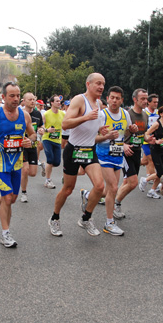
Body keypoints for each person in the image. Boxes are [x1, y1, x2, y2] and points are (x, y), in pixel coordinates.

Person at [48, 73, 107, 237]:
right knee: (67, 189)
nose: (101, 87)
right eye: (98, 83)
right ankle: (55, 218)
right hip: (73, 150)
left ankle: (86, 218)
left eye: (103, 84)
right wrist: (86, 117)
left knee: (100, 186)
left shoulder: (99, 104)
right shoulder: (79, 100)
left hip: (89, 150)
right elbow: (65, 123)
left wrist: (102, 129)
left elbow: (96, 124)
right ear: (88, 84)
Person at [0, 82, 37, 247]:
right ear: (3, 97)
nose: (16, 99)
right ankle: (5, 234)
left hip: (16, 163)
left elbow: (32, 134)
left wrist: (29, 141)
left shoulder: (24, 115)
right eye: (12, 95)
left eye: (18, 95)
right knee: (7, 197)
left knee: (12, 198)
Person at [85, 86, 135, 235]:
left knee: (108, 190)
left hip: (118, 155)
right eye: (112, 97)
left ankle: (87, 195)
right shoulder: (101, 115)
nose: (114, 100)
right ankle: (109, 223)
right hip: (102, 155)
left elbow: (125, 134)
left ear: (122, 100)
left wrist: (131, 131)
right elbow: (92, 138)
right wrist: (106, 137)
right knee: (113, 188)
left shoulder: (125, 114)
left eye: (117, 98)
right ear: (107, 99)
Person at [114, 88, 151, 217]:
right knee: (133, 183)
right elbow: (118, 134)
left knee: (126, 183)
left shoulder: (145, 115)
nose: (146, 101)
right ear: (135, 99)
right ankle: (115, 204)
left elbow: (143, 133)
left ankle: (107, 200)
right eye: (143, 99)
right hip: (126, 152)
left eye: (146, 99)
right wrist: (123, 145)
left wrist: (149, 139)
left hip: (137, 152)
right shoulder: (127, 115)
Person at [141, 104, 163, 197]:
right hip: (155, 150)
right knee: (160, 173)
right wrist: (155, 141)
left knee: (161, 173)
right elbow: (146, 133)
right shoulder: (156, 124)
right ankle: (145, 180)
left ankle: (152, 190)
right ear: (161, 114)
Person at [19, 92, 44, 203]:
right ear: (24, 101)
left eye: (34, 99)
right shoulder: (19, 113)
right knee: (25, 170)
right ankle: (23, 193)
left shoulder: (37, 114)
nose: (32, 101)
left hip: (33, 144)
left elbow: (40, 125)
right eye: (30, 99)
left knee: (32, 173)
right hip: (22, 146)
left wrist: (41, 129)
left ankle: (18, 173)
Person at [42, 94, 64, 189]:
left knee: (56, 162)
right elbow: (41, 127)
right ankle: (48, 180)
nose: (59, 103)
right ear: (52, 103)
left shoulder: (63, 114)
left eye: (59, 101)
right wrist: (47, 130)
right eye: (57, 101)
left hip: (57, 140)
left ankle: (45, 166)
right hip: (47, 139)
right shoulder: (46, 114)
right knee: (50, 160)